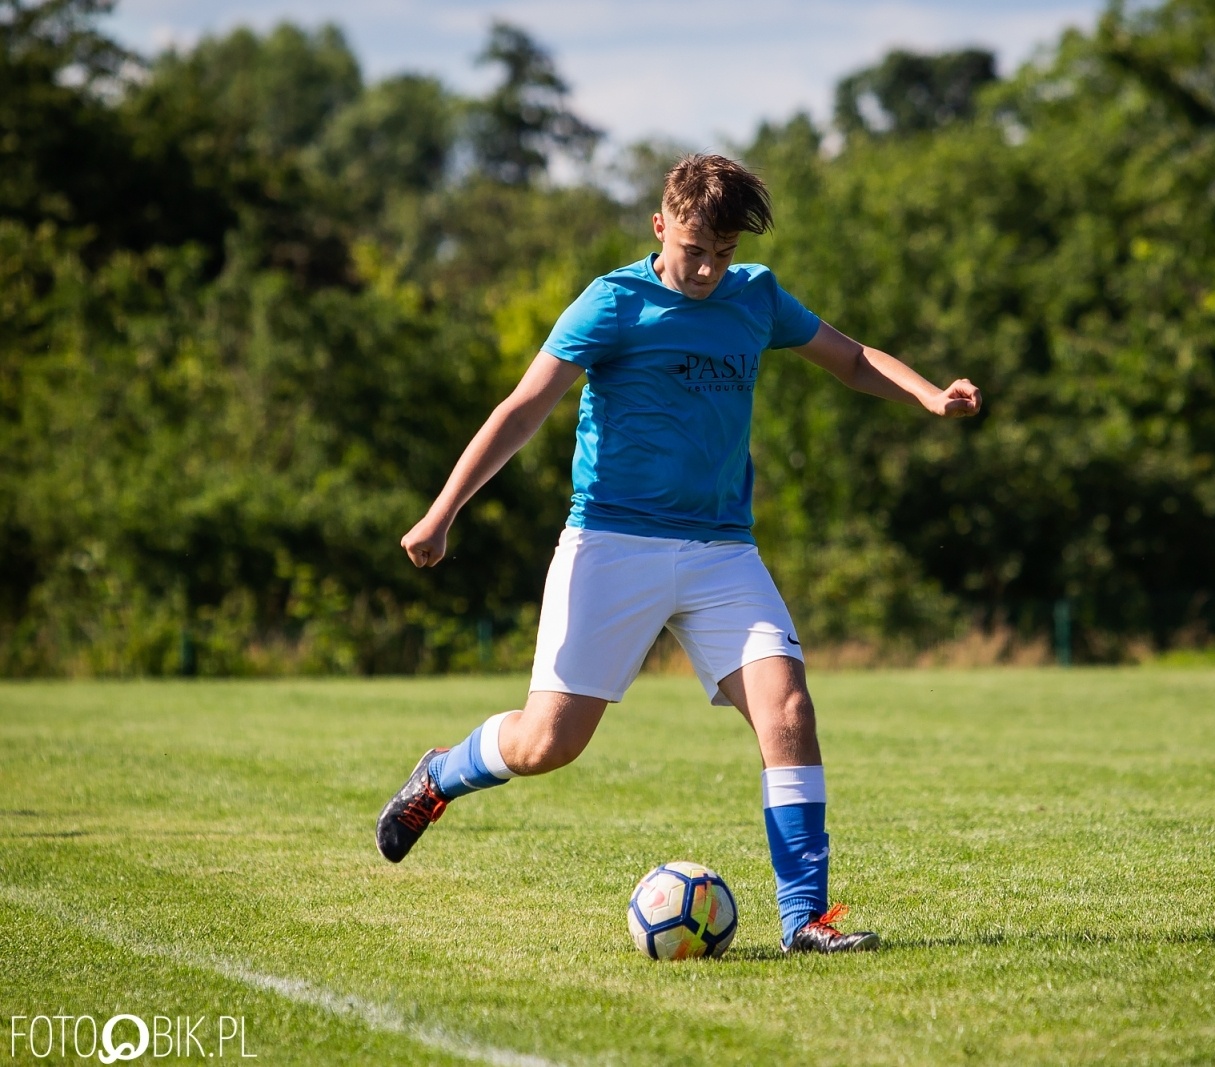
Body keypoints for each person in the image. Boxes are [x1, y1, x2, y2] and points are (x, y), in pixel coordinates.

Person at [375, 153, 982, 954]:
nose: (706, 269)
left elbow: (851, 357)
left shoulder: (755, 297)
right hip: (611, 543)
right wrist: (442, 511)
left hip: (722, 551)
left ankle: (806, 918)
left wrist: (928, 393)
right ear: (661, 226)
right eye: (695, 249)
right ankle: (441, 774)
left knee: (788, 708)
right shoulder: (613, 301)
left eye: (722, 254)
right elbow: (523, 409)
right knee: (547, 745)